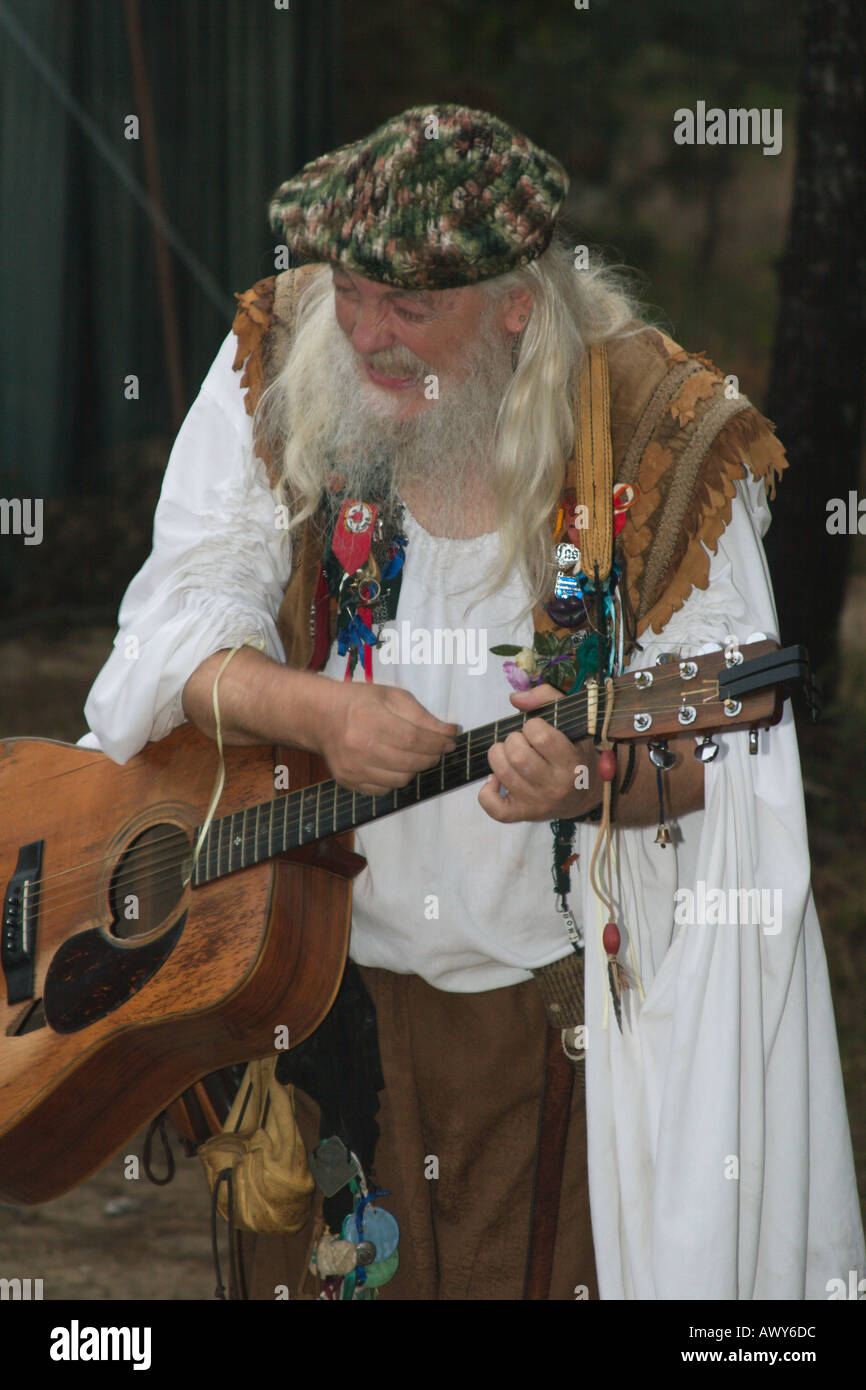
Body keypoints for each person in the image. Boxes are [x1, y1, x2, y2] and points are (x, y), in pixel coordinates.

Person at [81, 104, 865, 1300]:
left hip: (538, 1028)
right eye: (351, 289)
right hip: (306, 991)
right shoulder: (278, 360)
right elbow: (165, 633)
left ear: (514, 305)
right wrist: (316, 713)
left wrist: (593, 778)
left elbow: (728, 763)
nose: (366, 334)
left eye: (411, 307)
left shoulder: (654, 440)